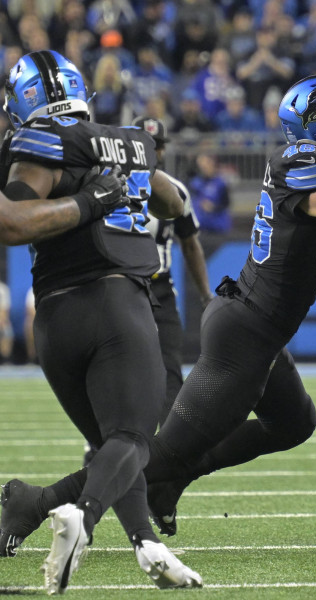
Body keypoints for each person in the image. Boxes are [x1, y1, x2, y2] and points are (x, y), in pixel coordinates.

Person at [0, 73, 316, 548]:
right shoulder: (306, 165)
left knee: (295, 423)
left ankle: (171, 482)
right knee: (157, 451)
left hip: (259, 328)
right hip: (245, 331)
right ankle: (36, 501)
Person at [0, 50, 202, 592]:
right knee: (133, 440)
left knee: (115, 451)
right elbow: (11, 221)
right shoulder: (123, 140)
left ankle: (148, 546)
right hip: (116, 304)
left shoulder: (43, 143)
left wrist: (105, 194)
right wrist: (98, 200)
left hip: (55, 322)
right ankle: (78, 519)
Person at [131, 115, 213, 425]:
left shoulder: (175, 190)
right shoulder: (109, 183)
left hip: (160, 288)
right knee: (115, 369)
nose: (153, 150)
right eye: (146, 142)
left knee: (169, 371)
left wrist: (206, 295)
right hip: (123, 287)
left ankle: (166, 453)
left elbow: (191, 245)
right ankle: (100, 444)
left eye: (158, 145)